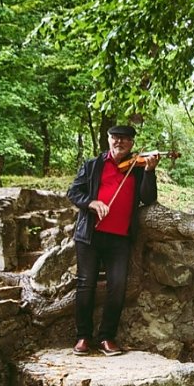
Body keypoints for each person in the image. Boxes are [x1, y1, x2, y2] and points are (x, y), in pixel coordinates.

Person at [67, 125, 160, 356]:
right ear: (108, 139)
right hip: (90, 234)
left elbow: (148, 198)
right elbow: (73, 193)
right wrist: (92, 203)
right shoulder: (92, 165)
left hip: (120, 238)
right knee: (86, 284)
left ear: (132, 143)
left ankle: (107, 337)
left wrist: (150, 171)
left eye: (126, 139)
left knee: (118, 286)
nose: (120, 142)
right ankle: (83, 337)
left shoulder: (137, 168)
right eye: (116, 138)